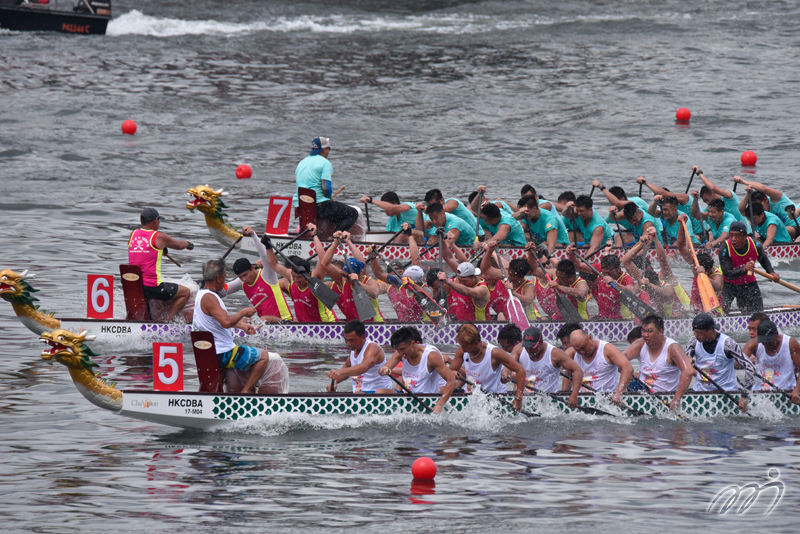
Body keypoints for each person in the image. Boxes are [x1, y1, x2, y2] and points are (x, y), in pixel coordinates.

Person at [192, 259, 289, 394]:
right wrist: (243, 312)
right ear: (218, 278)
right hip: (223, 353)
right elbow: (225, 322)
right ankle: (246, 392)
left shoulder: (201, 294)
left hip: (208, 351)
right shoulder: (211, 298)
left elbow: (217, 320)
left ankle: (215, 393)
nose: (225, 281)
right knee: (263, 356)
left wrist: (241, 325)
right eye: (225, 277)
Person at [127, 207, 194, 322]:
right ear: (155, 221)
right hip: (152, 287)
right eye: (159, 221)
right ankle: (166, 322)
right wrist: (188, 244)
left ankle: (143, 319)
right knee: (186, 292)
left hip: (134, 285)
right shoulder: (159, 236)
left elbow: (143, 250)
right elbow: (179, 245)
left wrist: (159, 250)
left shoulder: (133, 234)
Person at [262, 224, 337, 322]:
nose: (296, 280)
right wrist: (268, 247)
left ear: (309, 274)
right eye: (294, 276)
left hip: (326, 325)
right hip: (304, 325)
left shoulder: (315, 280)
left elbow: (322, 259)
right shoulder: (292, 277)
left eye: (300, 277)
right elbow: (274, 265)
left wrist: (314, 235)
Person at [622, 315, 694, 410]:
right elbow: (619, 359)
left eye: (649, 331)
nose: (645, 335)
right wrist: (628, 374)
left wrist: (676, 399)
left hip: (665, 395)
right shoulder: (640, 344)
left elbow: (688, 371)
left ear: (660, 332)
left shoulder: (673, 348)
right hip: (642, 389)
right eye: (643, 331)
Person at [449, 324, 526, 411]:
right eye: (461, 345)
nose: (462, 349)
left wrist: (518, 399)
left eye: (465, 346)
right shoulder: (462, 350)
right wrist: (453, 372)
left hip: (491, 399)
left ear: (476, 343)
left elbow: (520, 370)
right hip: (471, 396)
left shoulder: (494, 353)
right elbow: (452, 369)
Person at [378, 326, 456, 413]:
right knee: (379, 391)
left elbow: (451, 380)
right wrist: (383, 369)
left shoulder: (431, 356)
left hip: (425, 400)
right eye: (397, 350)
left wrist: (440, 404)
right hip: (406, 397)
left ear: (412, 343)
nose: (400, 353)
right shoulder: (400, 353)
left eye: (402, 349)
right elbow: (383, 369)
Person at [685, 313, 754, 410]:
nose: (696, 335)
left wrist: (744, 396)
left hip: (725, 394)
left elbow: (750, 367)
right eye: (694, 332)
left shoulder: (728, 344)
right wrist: (689, 358)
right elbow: (687, 353)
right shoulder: (694, 341)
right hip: (700, 393)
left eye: (699, 332)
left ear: (710, 330)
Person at [293, 137, 358, 236]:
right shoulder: (325, 163)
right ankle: (333, 238)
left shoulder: (301, 163)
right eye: (329, 149)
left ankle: (318, 235)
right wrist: (329, 198)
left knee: (334, 209)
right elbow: (325, 187)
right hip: (319, 207)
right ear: (324, 149)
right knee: (352, 213)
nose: (328, 152)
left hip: (301, 207)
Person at [227, 226, 293, 323]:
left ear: (253, 268)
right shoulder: (241, 283)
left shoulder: (267, 275)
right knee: (245, 321)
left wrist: (253, 235)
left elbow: (264, 255)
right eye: (240, 277)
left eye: (245, 275)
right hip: (265, 325)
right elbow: (223, 290)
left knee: (264, 318)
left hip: (285, 322)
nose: (244, 279)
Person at [319, 231, 384, 322]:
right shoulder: (344, 278)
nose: (345, 279)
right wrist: (336, 243)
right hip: (354, 326)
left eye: (347, 277)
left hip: (374, 325)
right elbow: (325, 264)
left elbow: (375, 293)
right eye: (344, 275)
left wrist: (358, 283)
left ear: (359, 274)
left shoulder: (369, 281)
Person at [514, 326, 584, 408]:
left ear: (541, 342)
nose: (529, 351)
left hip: (549, 402)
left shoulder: (555, 353)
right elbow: (507, 367)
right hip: (524, 398)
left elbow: (577, 370)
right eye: (527, 347)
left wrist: (574, 395)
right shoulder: (518, 349)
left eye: (532, 347)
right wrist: (506, 373)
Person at [719, 221, 779, 313]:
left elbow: (763, 259)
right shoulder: (724, 248)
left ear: (745, 236)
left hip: (749, 284)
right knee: (721, 314)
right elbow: (727, 274)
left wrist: (771, 272)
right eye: (731, 235)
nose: (733, 239)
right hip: (729, 285)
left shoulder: (756, 245)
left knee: (759, 314)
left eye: (737, 235)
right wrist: (744, 269)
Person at [565, 327, 633, 404]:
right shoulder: (572, 353)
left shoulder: (607, 349)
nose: (582, 352)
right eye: (578, 350)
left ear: (590, 338)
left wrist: (619, 392)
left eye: (583, 347)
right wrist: (564, 394)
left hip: (608, 398)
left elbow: (628, 368)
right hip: (583, 399)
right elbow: (562, 371)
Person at [328, 320, 394, 393]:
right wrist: (335, 381)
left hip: (378, 393)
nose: (348, 344)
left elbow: (364, 367)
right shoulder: (354, 348)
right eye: (346, 340)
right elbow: (347, 367)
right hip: (360, 393)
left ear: (363, 337)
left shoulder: (372, 348)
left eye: (351, 340)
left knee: (358, 394)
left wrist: (340, 371)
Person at [570, 249, 638, 319]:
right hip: (603, 319)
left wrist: (615, 283)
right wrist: (571, 254)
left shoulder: (626, 279)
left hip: (623, 320)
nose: (606, 275)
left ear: (618, 269)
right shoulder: (599, 268)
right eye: (604, 272)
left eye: (609, 272)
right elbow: (578, 266)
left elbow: (632, 291)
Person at [742, 320, 800, 401]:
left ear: (776, 334)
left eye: (769, 341)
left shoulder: (790, 344)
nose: (767, 344)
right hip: (759, 394)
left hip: (786, 393)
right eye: (764, 342)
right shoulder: (753, 344)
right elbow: (736, 364)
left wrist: (797, 390)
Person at [638, 176, 705, 242]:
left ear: (675, 209)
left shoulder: (684, 199)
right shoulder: (666, 212)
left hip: (700, 232)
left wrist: (645, 182)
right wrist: (655, 202)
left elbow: (686, 242)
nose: (663, 211)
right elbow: (652, 212)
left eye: (665, 209)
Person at [360, 192, 428, 243]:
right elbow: (387, 238)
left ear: (395, 205)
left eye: (386, 209)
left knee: (404, 233)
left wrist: (371, 200)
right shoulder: (392, 219)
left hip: (430, 238)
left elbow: (391, 208)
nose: (386, 212)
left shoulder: (408, 207)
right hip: (415, 242)